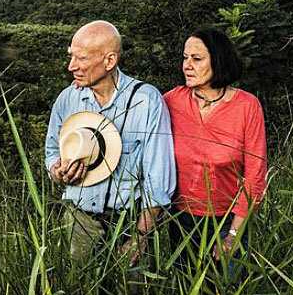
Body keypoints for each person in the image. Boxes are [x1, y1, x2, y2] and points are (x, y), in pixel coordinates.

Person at [45, 20, 175, 263]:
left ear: (110, 61)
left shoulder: (147, 101)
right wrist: (58, 172)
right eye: (71, 56)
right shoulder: (67, 99)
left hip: (131, 222)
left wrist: (140, 236)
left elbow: (159, 178)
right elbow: (52, 151)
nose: (71, 66)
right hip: (79, 220)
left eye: (81, 59)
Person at [163, 27, 267, 267]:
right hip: (180, 220)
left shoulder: (246, 106)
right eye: (185, 57)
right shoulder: (171, 100)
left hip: (228, 220)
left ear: (218, 61)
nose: (187, 65)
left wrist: (233, 235)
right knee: (184, 293)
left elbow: (255, 176)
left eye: (196, 59)